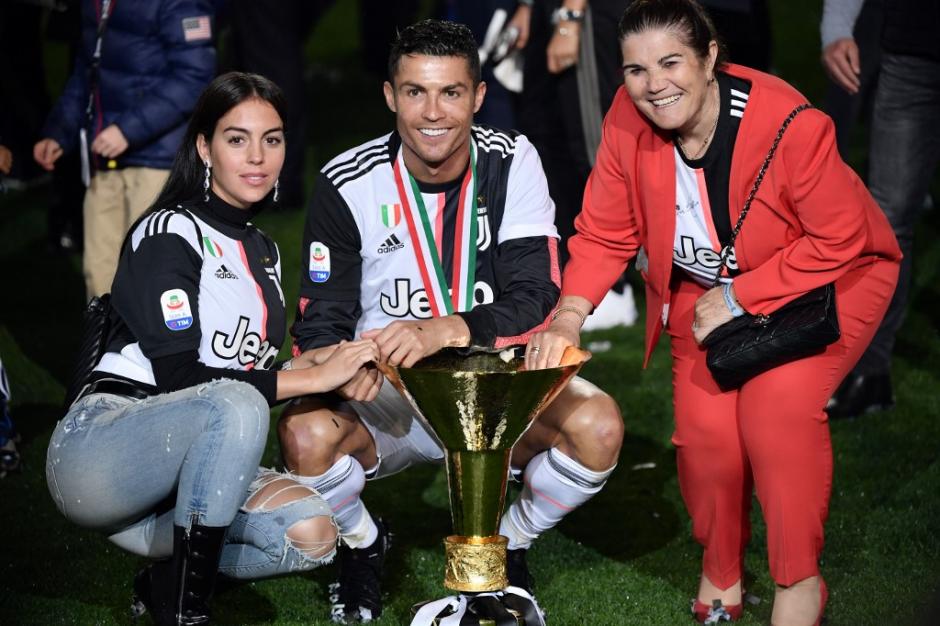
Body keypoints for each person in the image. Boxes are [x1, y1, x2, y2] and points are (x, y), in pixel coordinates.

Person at [528, 1, 900, 624]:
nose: (654, 85)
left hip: (824, 283)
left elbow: (839, 239)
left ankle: (798, 581)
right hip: (704, 294)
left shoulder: (791, 123)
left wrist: (737, 296)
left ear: (710, 58)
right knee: (707, 440)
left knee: (775, 413)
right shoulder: (628, 113)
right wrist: (569, 314)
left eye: (671, 62)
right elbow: (605, 229)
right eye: (636, 70)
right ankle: (720, 568)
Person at [278, 19, 624, 624]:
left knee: (598, 427)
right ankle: (364, 545)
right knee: (304, 436)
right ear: (390, 96)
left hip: (493, 383)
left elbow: (537, 294)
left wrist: (449, 327)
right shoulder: (346, 181)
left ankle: (508, 545)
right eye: (415, 92)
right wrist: (340, 364)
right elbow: (320, 315)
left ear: (479, 97)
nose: (432, 113)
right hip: (389, 388)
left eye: (451, 93)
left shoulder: (512, 161)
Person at [45, 72, 380, 626]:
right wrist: (309, 380)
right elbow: (184, 378)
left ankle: (165, 584)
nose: (257, 156)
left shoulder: (264, 251)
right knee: (236, 402)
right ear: (204, 147)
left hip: (193, 465)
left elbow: (241, 370)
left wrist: (335, 362)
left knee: (312, 534)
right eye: (236, 138)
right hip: (103, 449)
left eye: (272, 139)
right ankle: (188, 614)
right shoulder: (168, 232)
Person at [33, 0, 216, 300]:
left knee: (155, 276)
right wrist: (59, 132)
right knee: (99, 273)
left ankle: (157, 347)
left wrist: (128, 129)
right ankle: (106, 346)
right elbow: (86, 72)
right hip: (104, 157)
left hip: (158, 161)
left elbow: (194, 78)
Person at [820, 0, 940, 419]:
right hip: (909, 53)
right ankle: (871, 374)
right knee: (884, 222)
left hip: (908, 55)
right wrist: (836, 24)